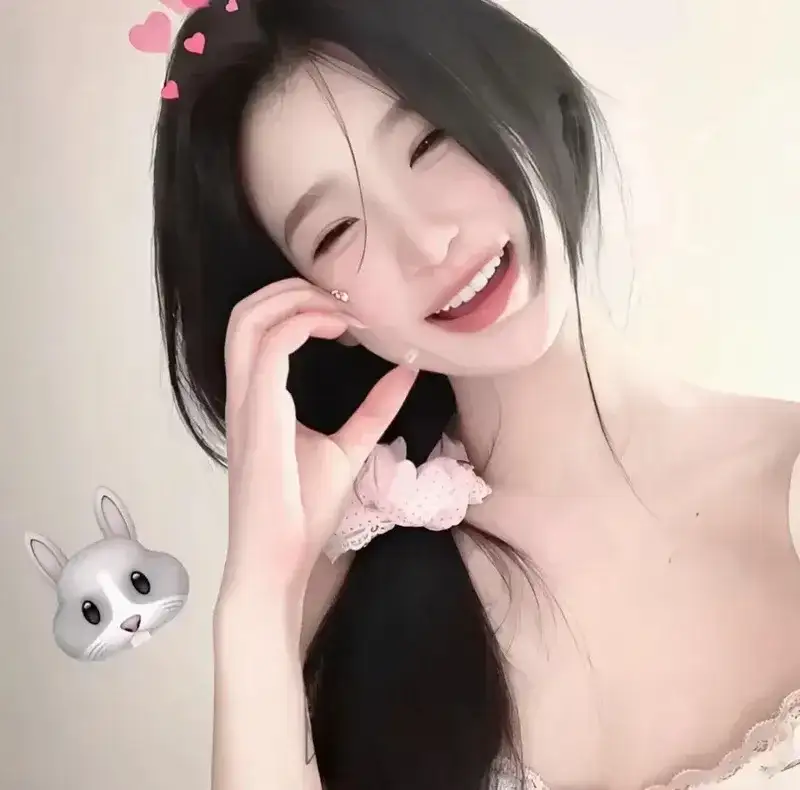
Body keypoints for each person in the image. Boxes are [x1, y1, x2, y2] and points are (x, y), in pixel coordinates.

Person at [151, 0, 800, 788]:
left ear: (515, 104)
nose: (429, 242)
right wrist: (257, 603)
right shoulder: (342, 610)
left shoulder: (783, 482)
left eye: (430, 141)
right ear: (316, 312)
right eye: (336, 232)